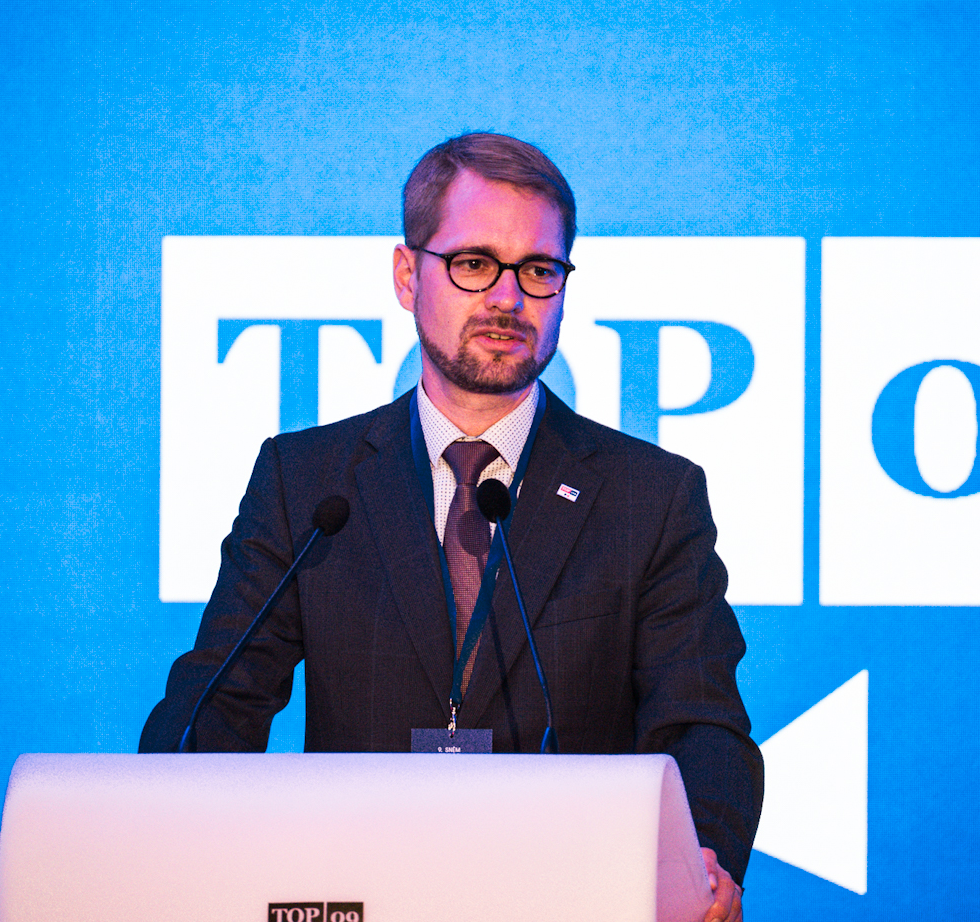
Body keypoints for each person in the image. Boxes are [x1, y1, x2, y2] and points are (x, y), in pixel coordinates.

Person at [141, 132, 763, 922]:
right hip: (355, 896)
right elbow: (219, 703)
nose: (508, 298)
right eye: (474, 263)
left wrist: (701, 857)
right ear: (408, 275)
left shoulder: (650, 496)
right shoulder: (310, 484)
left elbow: (702, 722)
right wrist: (156, 831)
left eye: (538, 270)